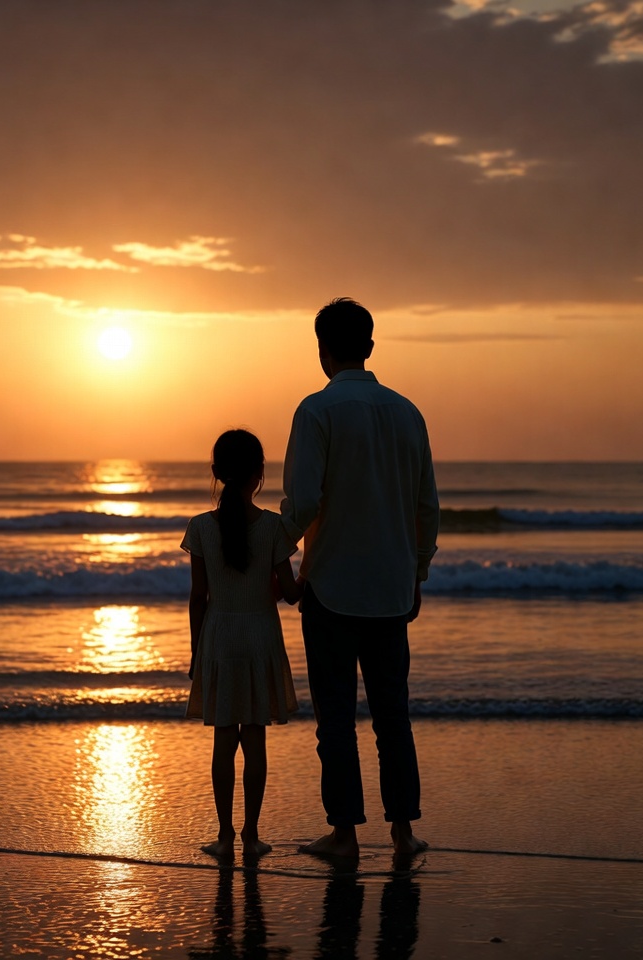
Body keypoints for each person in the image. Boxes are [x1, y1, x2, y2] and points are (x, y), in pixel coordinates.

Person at [281, 297, 440, 859]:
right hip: (391, 588)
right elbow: (426, 506)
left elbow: (302, 502)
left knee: (337, 720)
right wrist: (417, 570)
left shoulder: (317, 411)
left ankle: (344, 833)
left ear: (323, 350)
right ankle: (403, 832)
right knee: (392, 716)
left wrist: (271, 555)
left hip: (332, 587)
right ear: (370, 347)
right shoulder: (407, 412)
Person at [183, 428, 302, 860]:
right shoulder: (272, 527)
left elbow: (199, 598)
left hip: (218, 639)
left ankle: (224, 835)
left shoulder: (200, 528)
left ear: (217, 473)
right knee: (255, 740)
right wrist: (315, 571)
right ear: (259, 474)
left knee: (222, 741)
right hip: (260, 639)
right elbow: (290, 592)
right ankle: (252, 836)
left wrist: (197, 651)